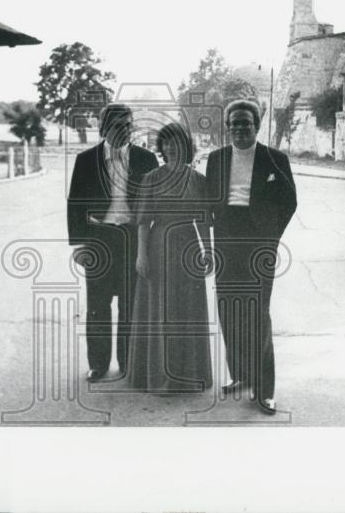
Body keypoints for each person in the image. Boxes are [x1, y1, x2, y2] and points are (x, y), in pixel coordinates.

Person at [205, 99, 297, 414]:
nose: (241, 128)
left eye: (247, 122)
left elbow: (289, 202)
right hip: (226, 240)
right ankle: (241, 375)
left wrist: (271, 238)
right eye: (235, 123)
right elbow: (208, 203)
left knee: (257, 315)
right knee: (229, 311)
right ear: (227, 127)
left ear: (256, 125)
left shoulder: (275, 159)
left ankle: (264, 390)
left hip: (260, 243)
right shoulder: (216, 159)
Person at [67, 103, 159, 381]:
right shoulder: (86, 160)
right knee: (98, 304)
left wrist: (150, 244)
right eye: (118, 125)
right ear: (104, 128)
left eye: (129, 125)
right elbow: (75, 204)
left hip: (133, 238)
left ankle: (129, 363)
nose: (125, 131)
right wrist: (80, 245)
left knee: (131, 304)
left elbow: (155, 203)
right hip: (99, 239)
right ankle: (98, 363)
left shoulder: (145, 159)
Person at [127, 122, 212, 393]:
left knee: (188, 311)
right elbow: (142, 221)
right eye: (167, 142)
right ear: (162, 147)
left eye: (178, 142)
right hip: (158, 247)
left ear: (186, 146)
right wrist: (141, 254)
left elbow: (203, 220)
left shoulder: (198, 179)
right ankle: (155, 377)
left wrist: (207, 250)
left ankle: (188, 376)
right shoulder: (151, 178)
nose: (172, 147)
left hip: (188, 249)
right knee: (159, 311)